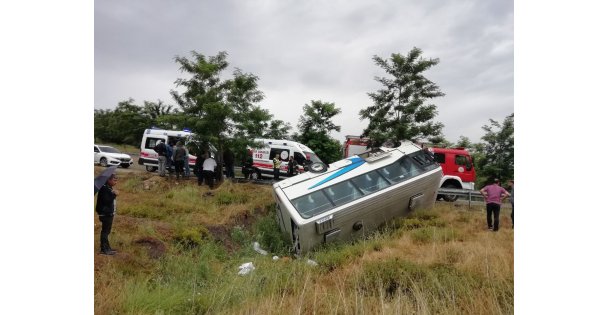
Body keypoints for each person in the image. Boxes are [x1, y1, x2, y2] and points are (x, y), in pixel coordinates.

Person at [96, 173, 119, 255]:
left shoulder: (108, 188)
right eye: (114, 180)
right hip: (105, 214)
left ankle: (107, 247)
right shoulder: (104, 189)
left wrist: (112, 193)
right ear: (108, 180)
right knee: (105, 231)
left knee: (107, 231)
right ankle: (104, 249)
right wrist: (114, 194)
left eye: (117, 180)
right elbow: (107, 201)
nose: (116, 182)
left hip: (108, 213)